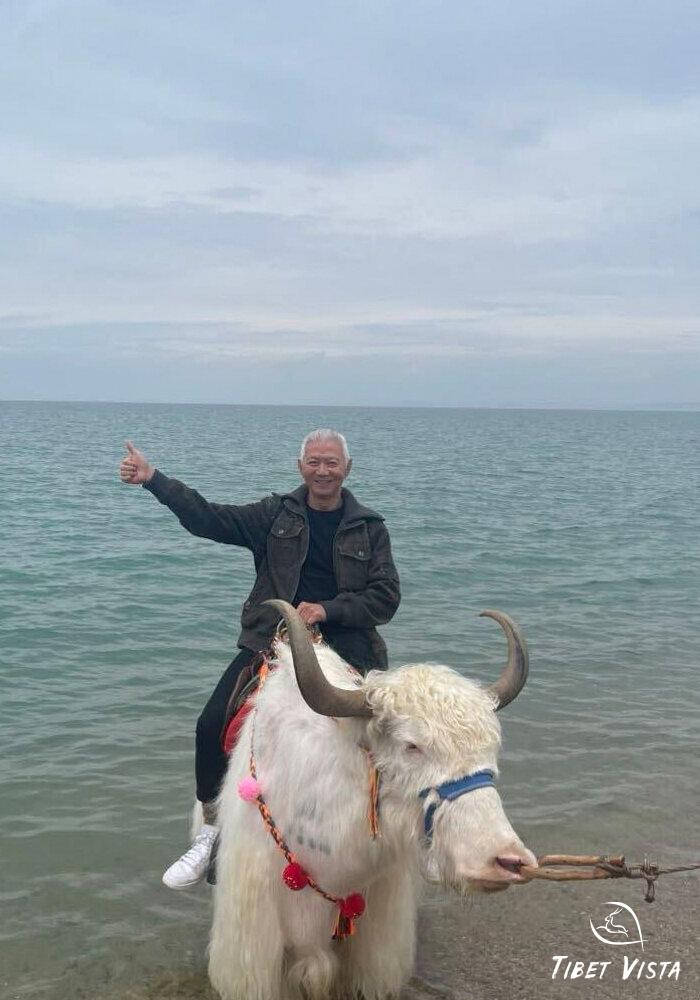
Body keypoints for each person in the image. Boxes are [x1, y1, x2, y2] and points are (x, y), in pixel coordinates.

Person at [119, 429, 400, 889]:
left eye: (331, 462)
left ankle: (393, 833)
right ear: (300, 467)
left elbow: (386, 598)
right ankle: (211, 833)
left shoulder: (370, 527)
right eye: (314, 461)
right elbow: (209, 519)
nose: (322, 470)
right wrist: (153, 479)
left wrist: (328, 609)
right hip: (272, 642)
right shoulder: (274, 516)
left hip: (348, 648)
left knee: (385, 734)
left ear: (347, 469)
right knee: (211, 726)